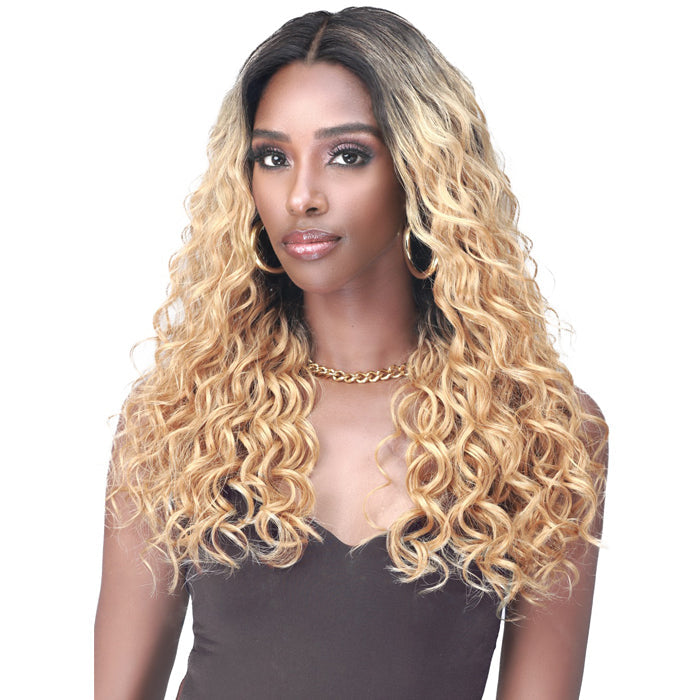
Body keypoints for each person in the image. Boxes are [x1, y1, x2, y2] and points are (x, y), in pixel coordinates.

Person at [95, 7, 608, 699]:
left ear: (422, 173)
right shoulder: (178, 415)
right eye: (273, 158)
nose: (301, 196)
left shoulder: (539, 429)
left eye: (346, 156)